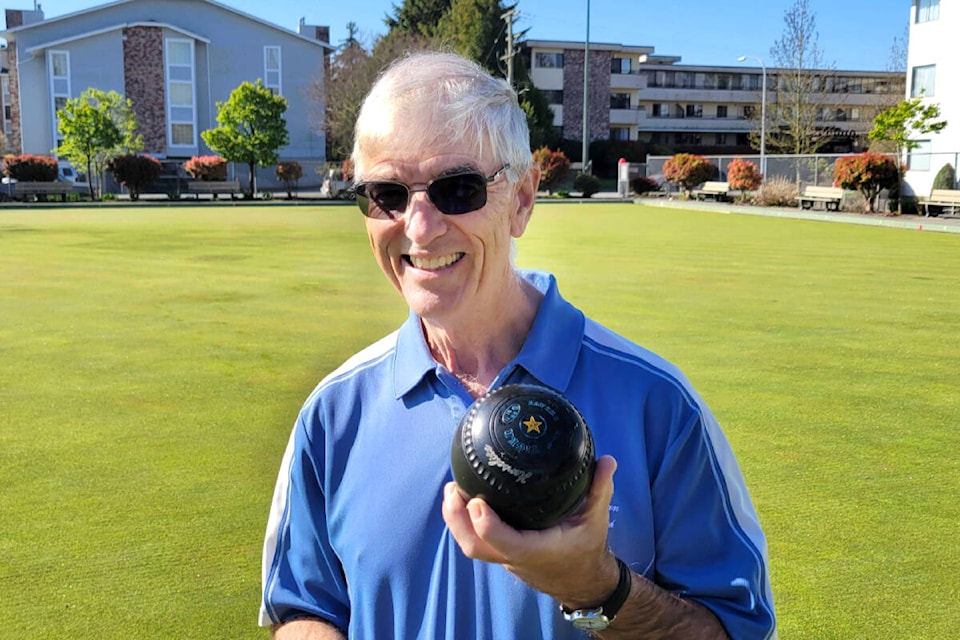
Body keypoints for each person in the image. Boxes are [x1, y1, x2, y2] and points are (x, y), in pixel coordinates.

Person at [260, 51, 776, 639]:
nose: (419, 227)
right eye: (388, 195)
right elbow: (306, 608)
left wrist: (595, 588)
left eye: (457, 189)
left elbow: (734, 631)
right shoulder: (332, 413)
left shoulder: (658, 404)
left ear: (523, 198)